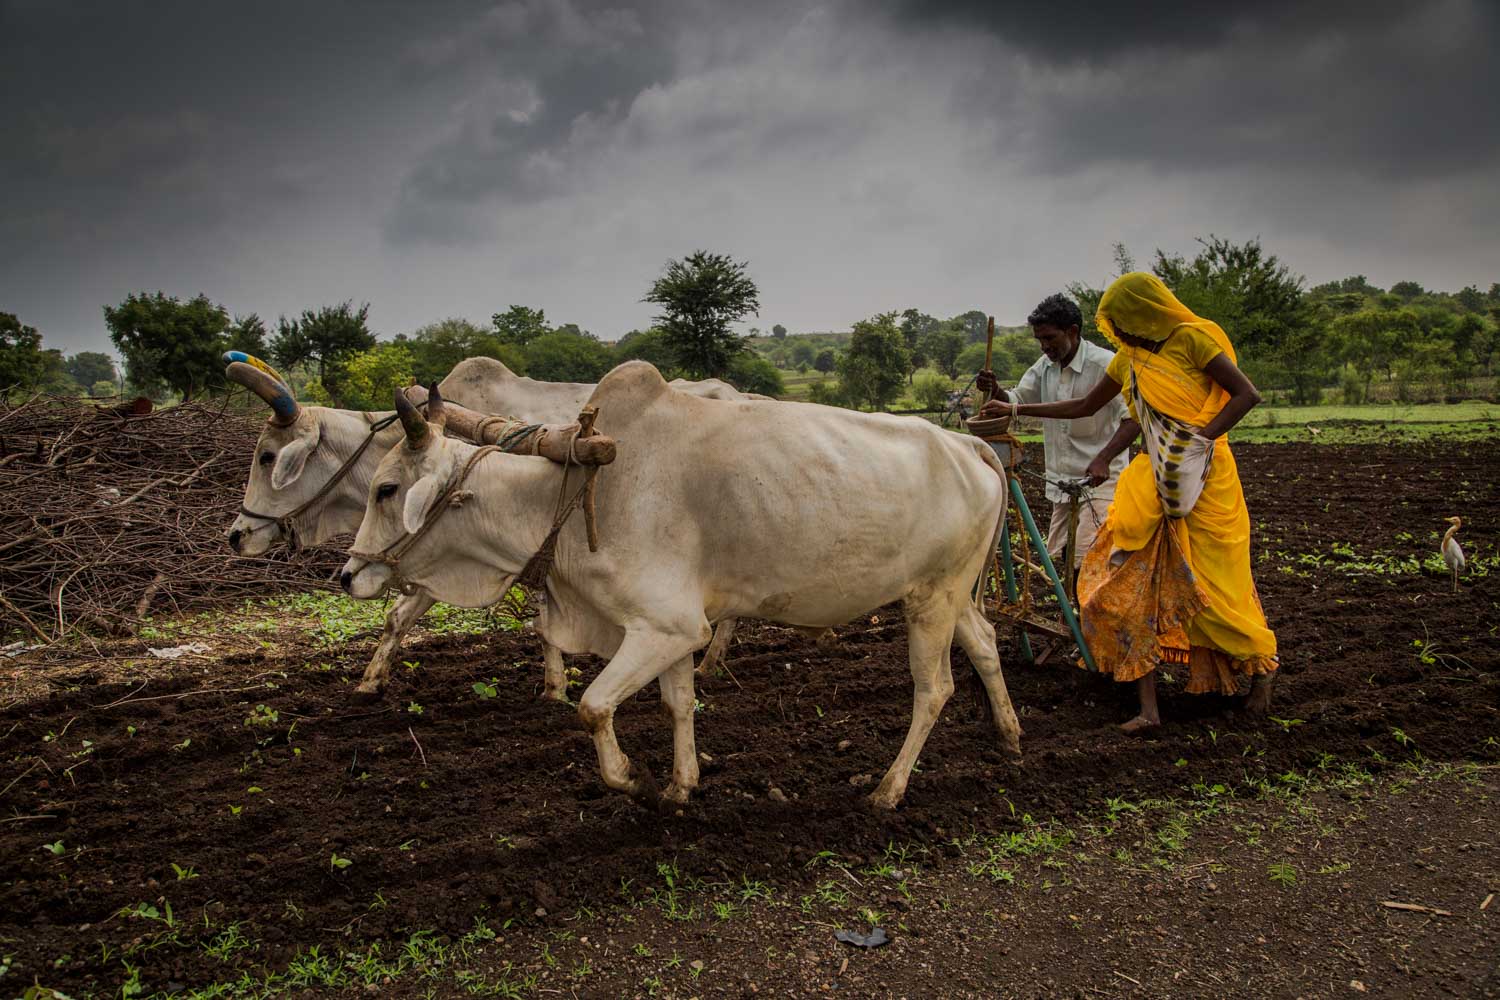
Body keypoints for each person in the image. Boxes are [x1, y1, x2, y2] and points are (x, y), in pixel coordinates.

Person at [979, 272, 1277, 732]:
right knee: (1127, 587)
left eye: (1123, 320)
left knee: (1214, 590)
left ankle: (1261, 675)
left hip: (1207, 484)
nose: (1120, 331)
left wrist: (1197, 443)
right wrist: (1016, 409)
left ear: (1146, 311)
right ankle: (1149, 710)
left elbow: (1246, 394)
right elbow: (1083, 407)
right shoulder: (1129, 361)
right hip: (1153, 486)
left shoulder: (1193, 341)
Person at [976, 293, 1132, 575]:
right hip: (1062, 484)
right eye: (1040, 340)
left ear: (1072, 331)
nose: (1044, 346)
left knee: (1089, 563)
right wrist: (995, 389)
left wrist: (1105, 458)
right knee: (1061, 560)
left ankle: (1086, 619)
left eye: (1050, 338)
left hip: (1101, 485)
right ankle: (1072, 617)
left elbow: (1133, 420)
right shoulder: (1044, 366)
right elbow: (1016, 399)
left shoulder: (1105, 365)